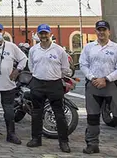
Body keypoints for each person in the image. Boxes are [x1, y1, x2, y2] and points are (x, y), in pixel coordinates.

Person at [80, 20, 117, 157]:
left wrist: (106, 79)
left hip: (112, 85)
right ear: (96, 31)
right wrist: (92, 78)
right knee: (92, 117)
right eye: (99, 30)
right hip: (93, 85)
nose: (101, 32)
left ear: (109, 31)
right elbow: (83, 65)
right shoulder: (89, 47)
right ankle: (92, 144)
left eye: (104, 30)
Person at [26, 24, 71, 152]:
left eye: (46, 33)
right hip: (38, 83)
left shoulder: (59, 50)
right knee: (36, 113)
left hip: (54, 84)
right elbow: (31, 66)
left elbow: (65, 69)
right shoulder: (33, 50)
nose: (44, 36)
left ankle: (63, 142)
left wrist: (55, 77)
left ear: (50, 34)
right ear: (38, 35)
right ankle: (36, 139)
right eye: (41, 33)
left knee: (59, 114)